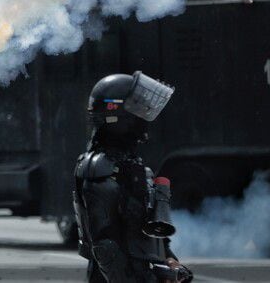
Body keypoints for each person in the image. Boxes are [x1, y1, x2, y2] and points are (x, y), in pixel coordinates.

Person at [73, 71, 193, 283]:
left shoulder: (129, 164)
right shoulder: (99, 167)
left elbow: (145, 230)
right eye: (136, 108)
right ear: (117, 114)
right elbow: (105, 247)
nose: (143, 116)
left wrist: (169, 261)